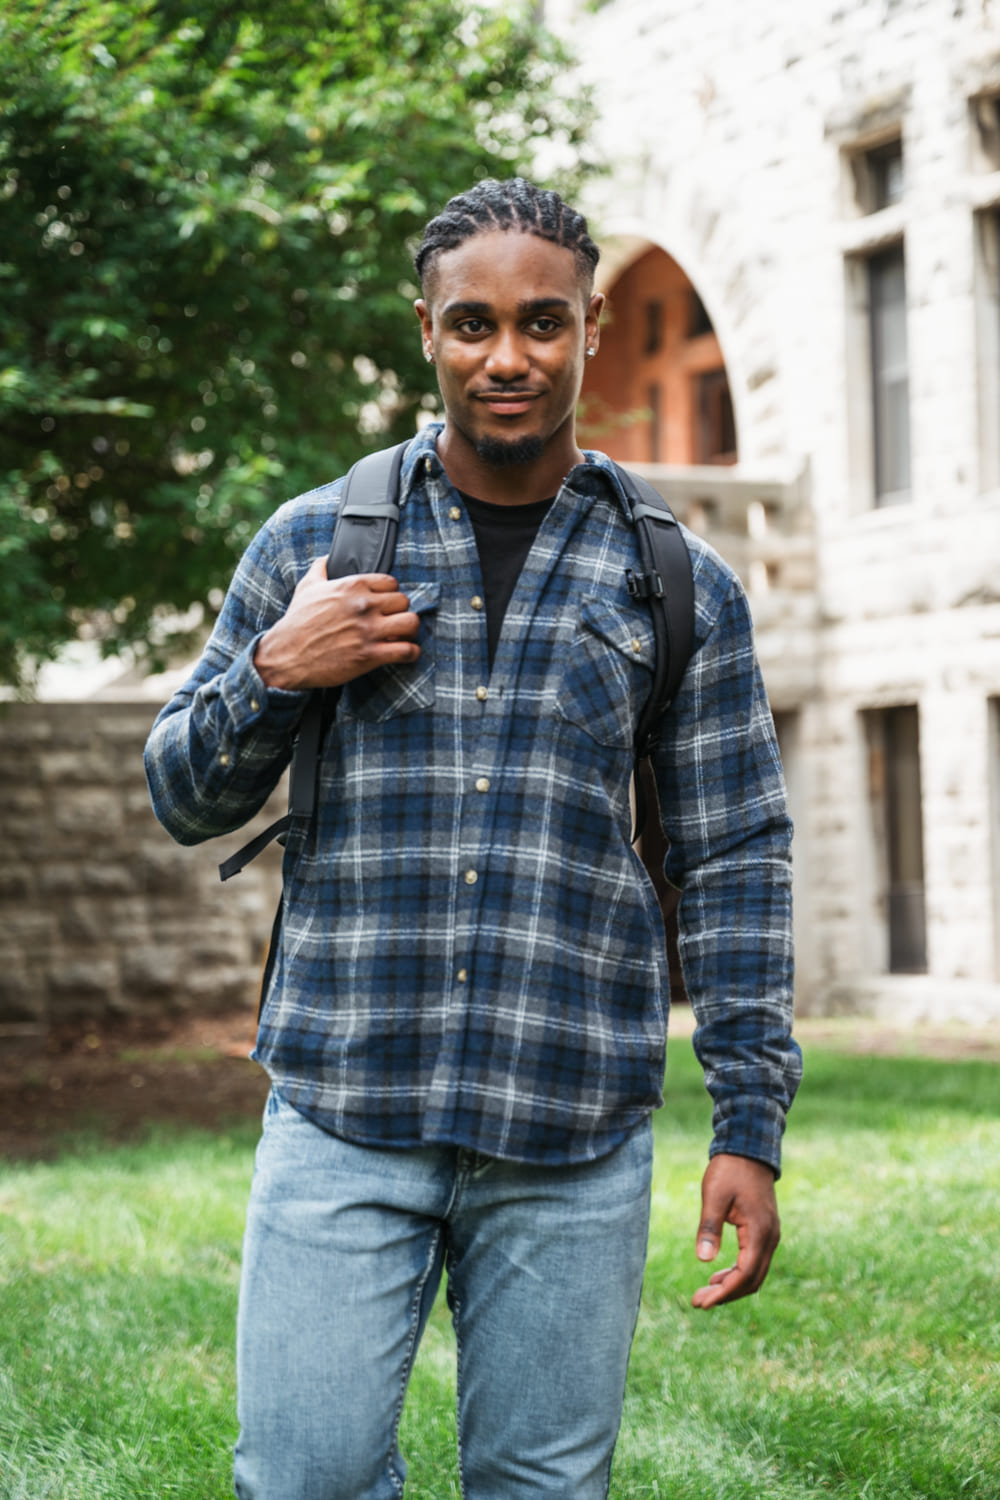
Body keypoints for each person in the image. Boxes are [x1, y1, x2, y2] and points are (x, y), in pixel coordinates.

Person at [145, 177, 801, 1500]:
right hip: (345, 1105)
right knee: (303, 1478)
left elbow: (736, 860)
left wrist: (750, 1119)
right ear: (426, 329)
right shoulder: (316, 544)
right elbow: (180, 793)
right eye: (473, 325)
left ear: (592, 328)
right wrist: (279, 668)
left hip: (572, 1126)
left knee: (545, 1490)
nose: (508, 358)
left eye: (543, 324)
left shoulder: (675, 582)